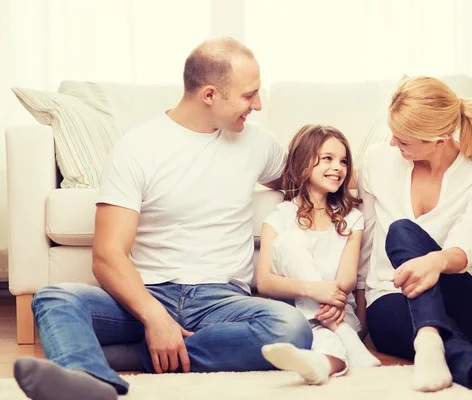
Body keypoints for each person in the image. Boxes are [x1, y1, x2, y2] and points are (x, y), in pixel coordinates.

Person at [13, 37, 313, 400]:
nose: (258, 105)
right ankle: (92, 385)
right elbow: (108, 256)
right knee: (54, 299)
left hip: (222, 302)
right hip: (148, 294)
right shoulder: (137, 148)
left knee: (290, 327)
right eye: (249, 96)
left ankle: (125, 359)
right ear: (209, 95)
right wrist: (154, 317)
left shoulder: (257, 143)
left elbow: (306, 182)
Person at [358, 76, 472, 393]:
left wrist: (435, 262)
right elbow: (366, 238)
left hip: (465, 297)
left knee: (402, 230)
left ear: (440, 140)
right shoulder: (377, 161)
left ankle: (430, 340)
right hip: (392, 299)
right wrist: (358, 311)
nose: (393, 144)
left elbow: (467, 244)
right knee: (397, 236)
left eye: (403, 140)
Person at [256, 124, 381, 385]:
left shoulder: (352, 218)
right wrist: (314, 291)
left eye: (343, 161)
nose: (338, 167)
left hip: (337, 311)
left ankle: (323, 359)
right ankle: (336, 347)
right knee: (290, 240)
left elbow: (347, 279)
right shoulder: (280, 218)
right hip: (298, 317)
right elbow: (265, 283)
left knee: (325, 336)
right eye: (328, 159)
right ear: (303, 163)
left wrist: (330, 301)